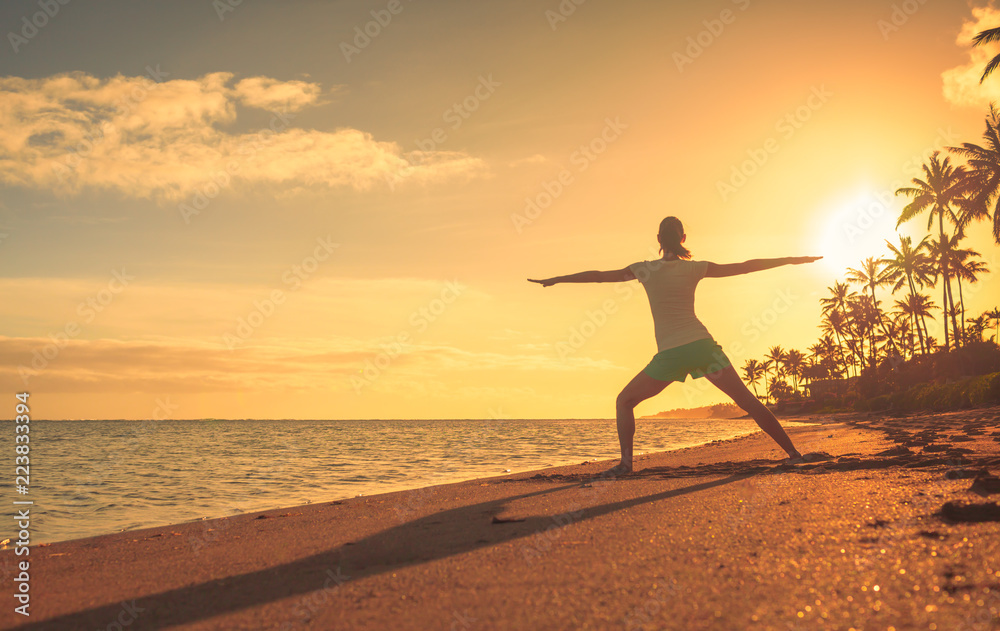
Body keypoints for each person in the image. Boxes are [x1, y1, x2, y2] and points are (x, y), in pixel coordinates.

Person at [528, 216, 820, 475]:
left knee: (624, 401)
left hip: (670, 355)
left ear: (658, 240)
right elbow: (744, 267)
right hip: (703, 348)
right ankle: (793, 454)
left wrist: (557, 280)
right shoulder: (696, 269)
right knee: (746, 401)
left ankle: (626, 465)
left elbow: (599, 277)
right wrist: (793, 259)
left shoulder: (643, 270)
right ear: (683, 239)